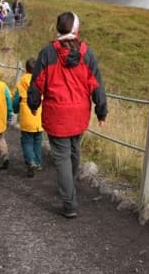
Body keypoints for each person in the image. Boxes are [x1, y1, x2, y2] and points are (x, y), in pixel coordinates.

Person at [28, 11, 107, 218]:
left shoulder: (47, 53)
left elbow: (36, 83)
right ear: (76, 29)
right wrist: (101, 111)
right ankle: (69, 187)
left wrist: (33, 104)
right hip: (79, 114)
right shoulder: (87, 54)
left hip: (56, 115)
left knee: (62, 157)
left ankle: (69, 202)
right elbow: (97, 84)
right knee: (73, 151)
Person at [13, 58, 43, 177]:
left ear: (26, 69)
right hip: (39, 116)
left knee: (27, 141)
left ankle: (31, 161)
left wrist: (15, 110)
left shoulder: (22, 82)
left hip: (26, 116)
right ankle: (38, 162)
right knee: (37, 141)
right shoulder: (41, 81)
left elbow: (16, 100)